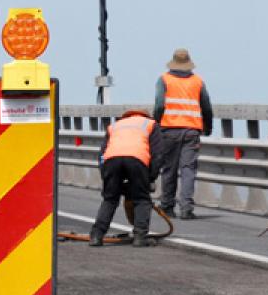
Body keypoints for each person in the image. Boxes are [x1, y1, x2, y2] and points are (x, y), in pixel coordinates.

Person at [89, 110, 165, 247]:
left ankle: (96, 236)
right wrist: (150, 178)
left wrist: (105, 175)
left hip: (111, 160)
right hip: (137, 159)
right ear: (146, 116)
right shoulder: (151, 124)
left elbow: (102, 154)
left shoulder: (115, 125)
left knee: (110, 199)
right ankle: (140, 237)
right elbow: (158, 154)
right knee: (141, 199)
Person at [153, 48, 213, 219]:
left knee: (169, 169)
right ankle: (186, 208)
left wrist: (156, 123)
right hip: (191, 131)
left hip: (169, 130)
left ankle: (167, 207)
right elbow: (206, 107)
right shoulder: (198, 82)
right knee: (188, 170)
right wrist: (208, 127)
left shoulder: (164, 80)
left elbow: (159, 105)